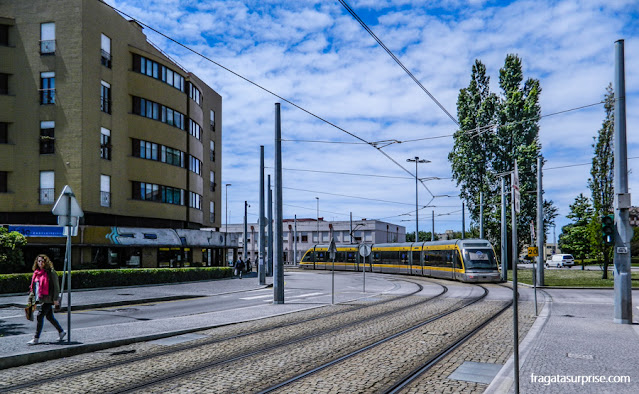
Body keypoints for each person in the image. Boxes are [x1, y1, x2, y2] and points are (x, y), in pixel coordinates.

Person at [27, 254, 65, 345]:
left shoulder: (51, 272)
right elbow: (34, 288)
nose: (40, 263)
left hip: (49, 299)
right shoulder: (36, 273)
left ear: (46, 262)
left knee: (40, 316)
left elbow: (56, 287)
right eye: (38, 261)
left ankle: (36, 338)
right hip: (40, 298)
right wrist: (31, 300)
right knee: (49, 316)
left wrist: (56, 299)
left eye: (42, 261)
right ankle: (61, 332)